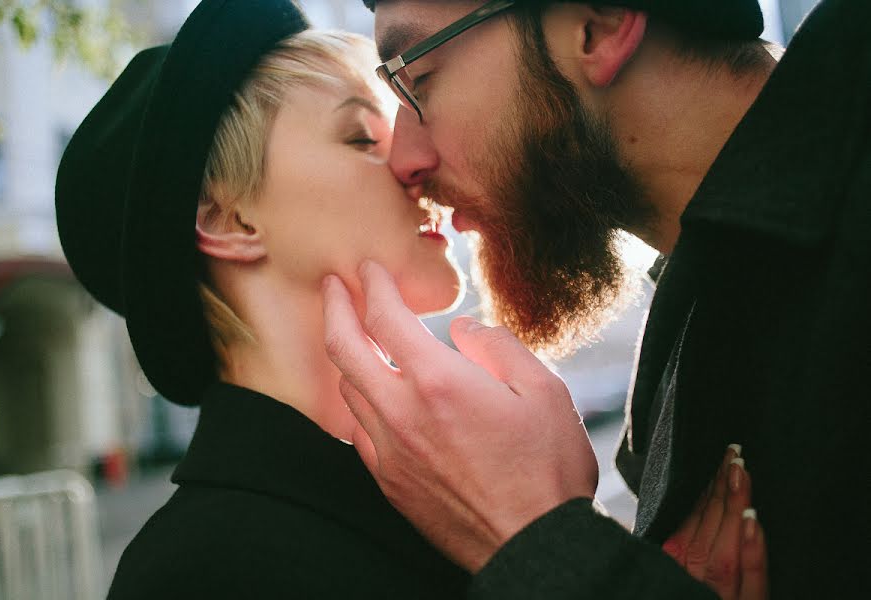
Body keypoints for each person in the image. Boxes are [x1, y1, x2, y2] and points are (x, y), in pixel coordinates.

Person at [322, 0, 871, 597]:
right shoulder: (704, 320)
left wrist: (528, 533)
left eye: (418, 78)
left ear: (600, 25)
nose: (405, 159)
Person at [55, 1, 471, 597]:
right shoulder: (201, 572)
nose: (415, 160)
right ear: (228, 220)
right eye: (361, 136)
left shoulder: (443, 488)